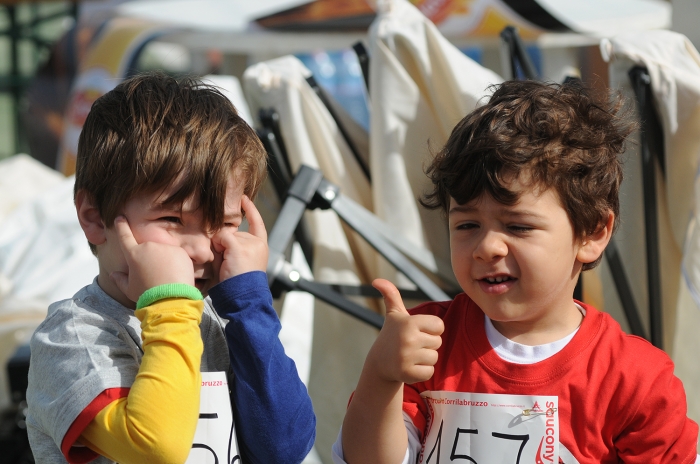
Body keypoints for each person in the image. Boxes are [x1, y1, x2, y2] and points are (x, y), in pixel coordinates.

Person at [334, 80, 699, 463]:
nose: (487, 247)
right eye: (466, 225)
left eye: (518, 226)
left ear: (592, 232)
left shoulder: (636, 380)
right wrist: (381, 374)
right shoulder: (426, 342)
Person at [26, 72, 315, 464]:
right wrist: (169, 304)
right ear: (95, 217)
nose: (200, 250)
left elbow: (284, 448)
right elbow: (156, 450)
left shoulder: (218, 321)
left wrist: (251, 305)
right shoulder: (73, 337)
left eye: (226, 224)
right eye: (173, 220)